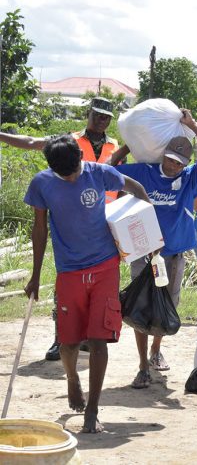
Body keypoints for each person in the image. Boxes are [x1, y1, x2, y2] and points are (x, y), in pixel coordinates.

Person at [23, 134, 150, 433]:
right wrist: (36, 274)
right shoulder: (41, 183)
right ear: (51, 167)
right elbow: (39, 229)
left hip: (105, 266)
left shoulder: (100, 172)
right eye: (62, 175)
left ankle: (92, 409)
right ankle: (72, 378)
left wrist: (147, 230)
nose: (69, 179)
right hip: (69, 272)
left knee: (97, 340)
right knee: (68, 343)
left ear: (81, 157)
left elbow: (137, 188)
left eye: (73, 172)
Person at [0, 97, 121, 362]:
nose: (101, 120)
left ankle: (89, 337)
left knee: (99, 285)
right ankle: (60, 338)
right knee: (66, 283)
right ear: (88, 114)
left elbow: (120, 182)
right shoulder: (68, 140)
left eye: (106, 117)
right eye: (97, 115)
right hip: (69, 221)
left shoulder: (114, 147)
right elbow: (32, 143)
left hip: (102, 223)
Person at [110, 109, 197, 389]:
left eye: (180, 163)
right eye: (171, 160)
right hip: (143, 253)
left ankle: (156, 349)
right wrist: (131, 144)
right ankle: (141, 367)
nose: (174, 166)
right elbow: (112, 169)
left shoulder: (190, 178)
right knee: (140, 307)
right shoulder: (143, 173)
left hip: (173, 255)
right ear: (163, 155)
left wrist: (193, 125)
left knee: (166, 305)